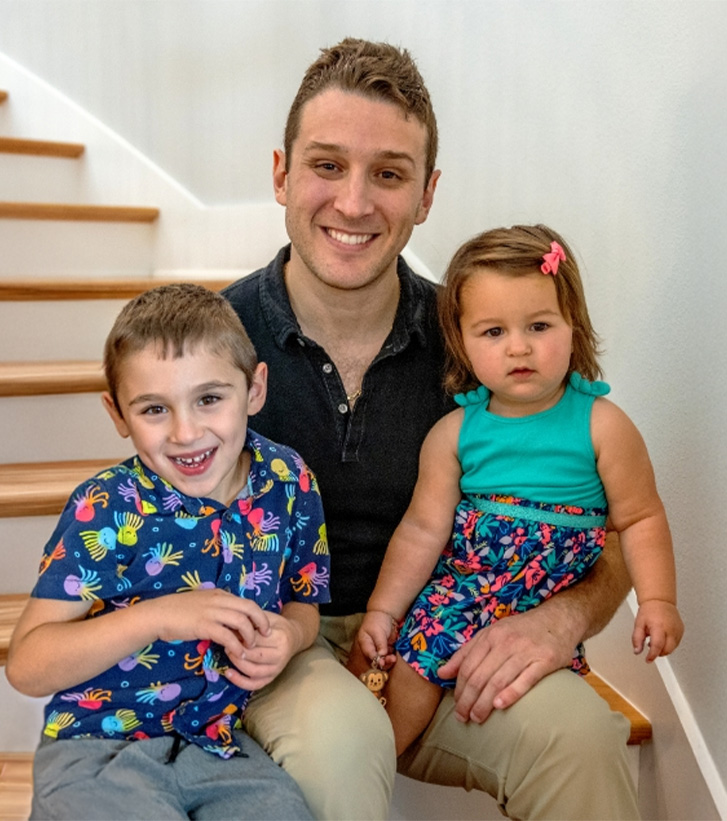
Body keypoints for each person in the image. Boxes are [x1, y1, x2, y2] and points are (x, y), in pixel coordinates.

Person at [223, 37, 640, 820]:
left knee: (580, 735)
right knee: (341, 743)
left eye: (388, 173)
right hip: (275, 645)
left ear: (427, 193)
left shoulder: (489, 341)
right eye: (325, 165)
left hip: (441, 638)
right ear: (280, 172)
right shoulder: (211, 342)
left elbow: (616, 529)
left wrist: (561, 617)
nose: (353, 203)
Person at [352, 223, 684, 756]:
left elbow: (639, 519)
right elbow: (421, 531)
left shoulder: (603, 426)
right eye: (493, 332)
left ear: (573, 325)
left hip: (547, 606)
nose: (519, 347)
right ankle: (370, 769)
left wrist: (658, 600)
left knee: (554, 721)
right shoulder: (455, 434)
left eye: (538, 325)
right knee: (409, 675)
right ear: (461, 341)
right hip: (463, 593)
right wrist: (383, 612)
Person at [6, 283, 328, 820]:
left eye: (209, 399)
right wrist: (157, 617)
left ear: (254, 389)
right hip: (97, 749)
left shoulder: (287, 479)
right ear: (118, 416)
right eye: (154, 409)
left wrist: (291, 635)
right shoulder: (106, 508)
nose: (186, 432)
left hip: (220, 746)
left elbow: (304, 601)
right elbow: (27, 666)